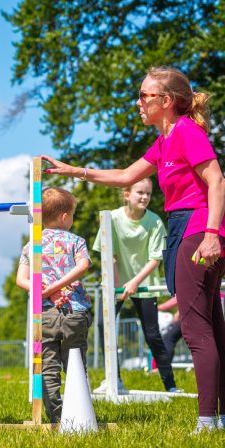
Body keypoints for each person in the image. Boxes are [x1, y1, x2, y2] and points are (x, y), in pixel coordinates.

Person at [43, 66, 225, 433]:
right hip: (183, 227)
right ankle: (218, 416)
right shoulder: (164, 140)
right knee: (214, 329)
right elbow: (126, 176)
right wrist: (74, 171)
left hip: (197, 227)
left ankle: (208, 421)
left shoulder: (188, 133)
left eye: (144, 96)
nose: (138, 102)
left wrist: (211, 234)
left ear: (166, 101)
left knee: (195, 330)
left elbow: (217, 179)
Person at [92, 178, 180, 393]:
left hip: (143, 283)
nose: (144, 197)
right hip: (115, 282)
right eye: (140, 192)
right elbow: (108, 253)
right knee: (105, 327)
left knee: (152, 334)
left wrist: (134, 283)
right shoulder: (111, 218)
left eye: (148, 193)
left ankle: (170, 385)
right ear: (126, 195)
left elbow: (155, 259)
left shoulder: (154, 222)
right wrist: (116, 285)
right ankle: (114, 380)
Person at [16, 187, 92, 425]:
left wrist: (45, 289)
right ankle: (78, 414)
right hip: (75, 311)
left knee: (48, 365)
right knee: (75, 363)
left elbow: (21, 280)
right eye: (72, 214)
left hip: (45, 314)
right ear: (63, 217)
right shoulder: (77, 241)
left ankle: (57, 417)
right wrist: (59, 286)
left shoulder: (31, 246)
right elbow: (83, 266)